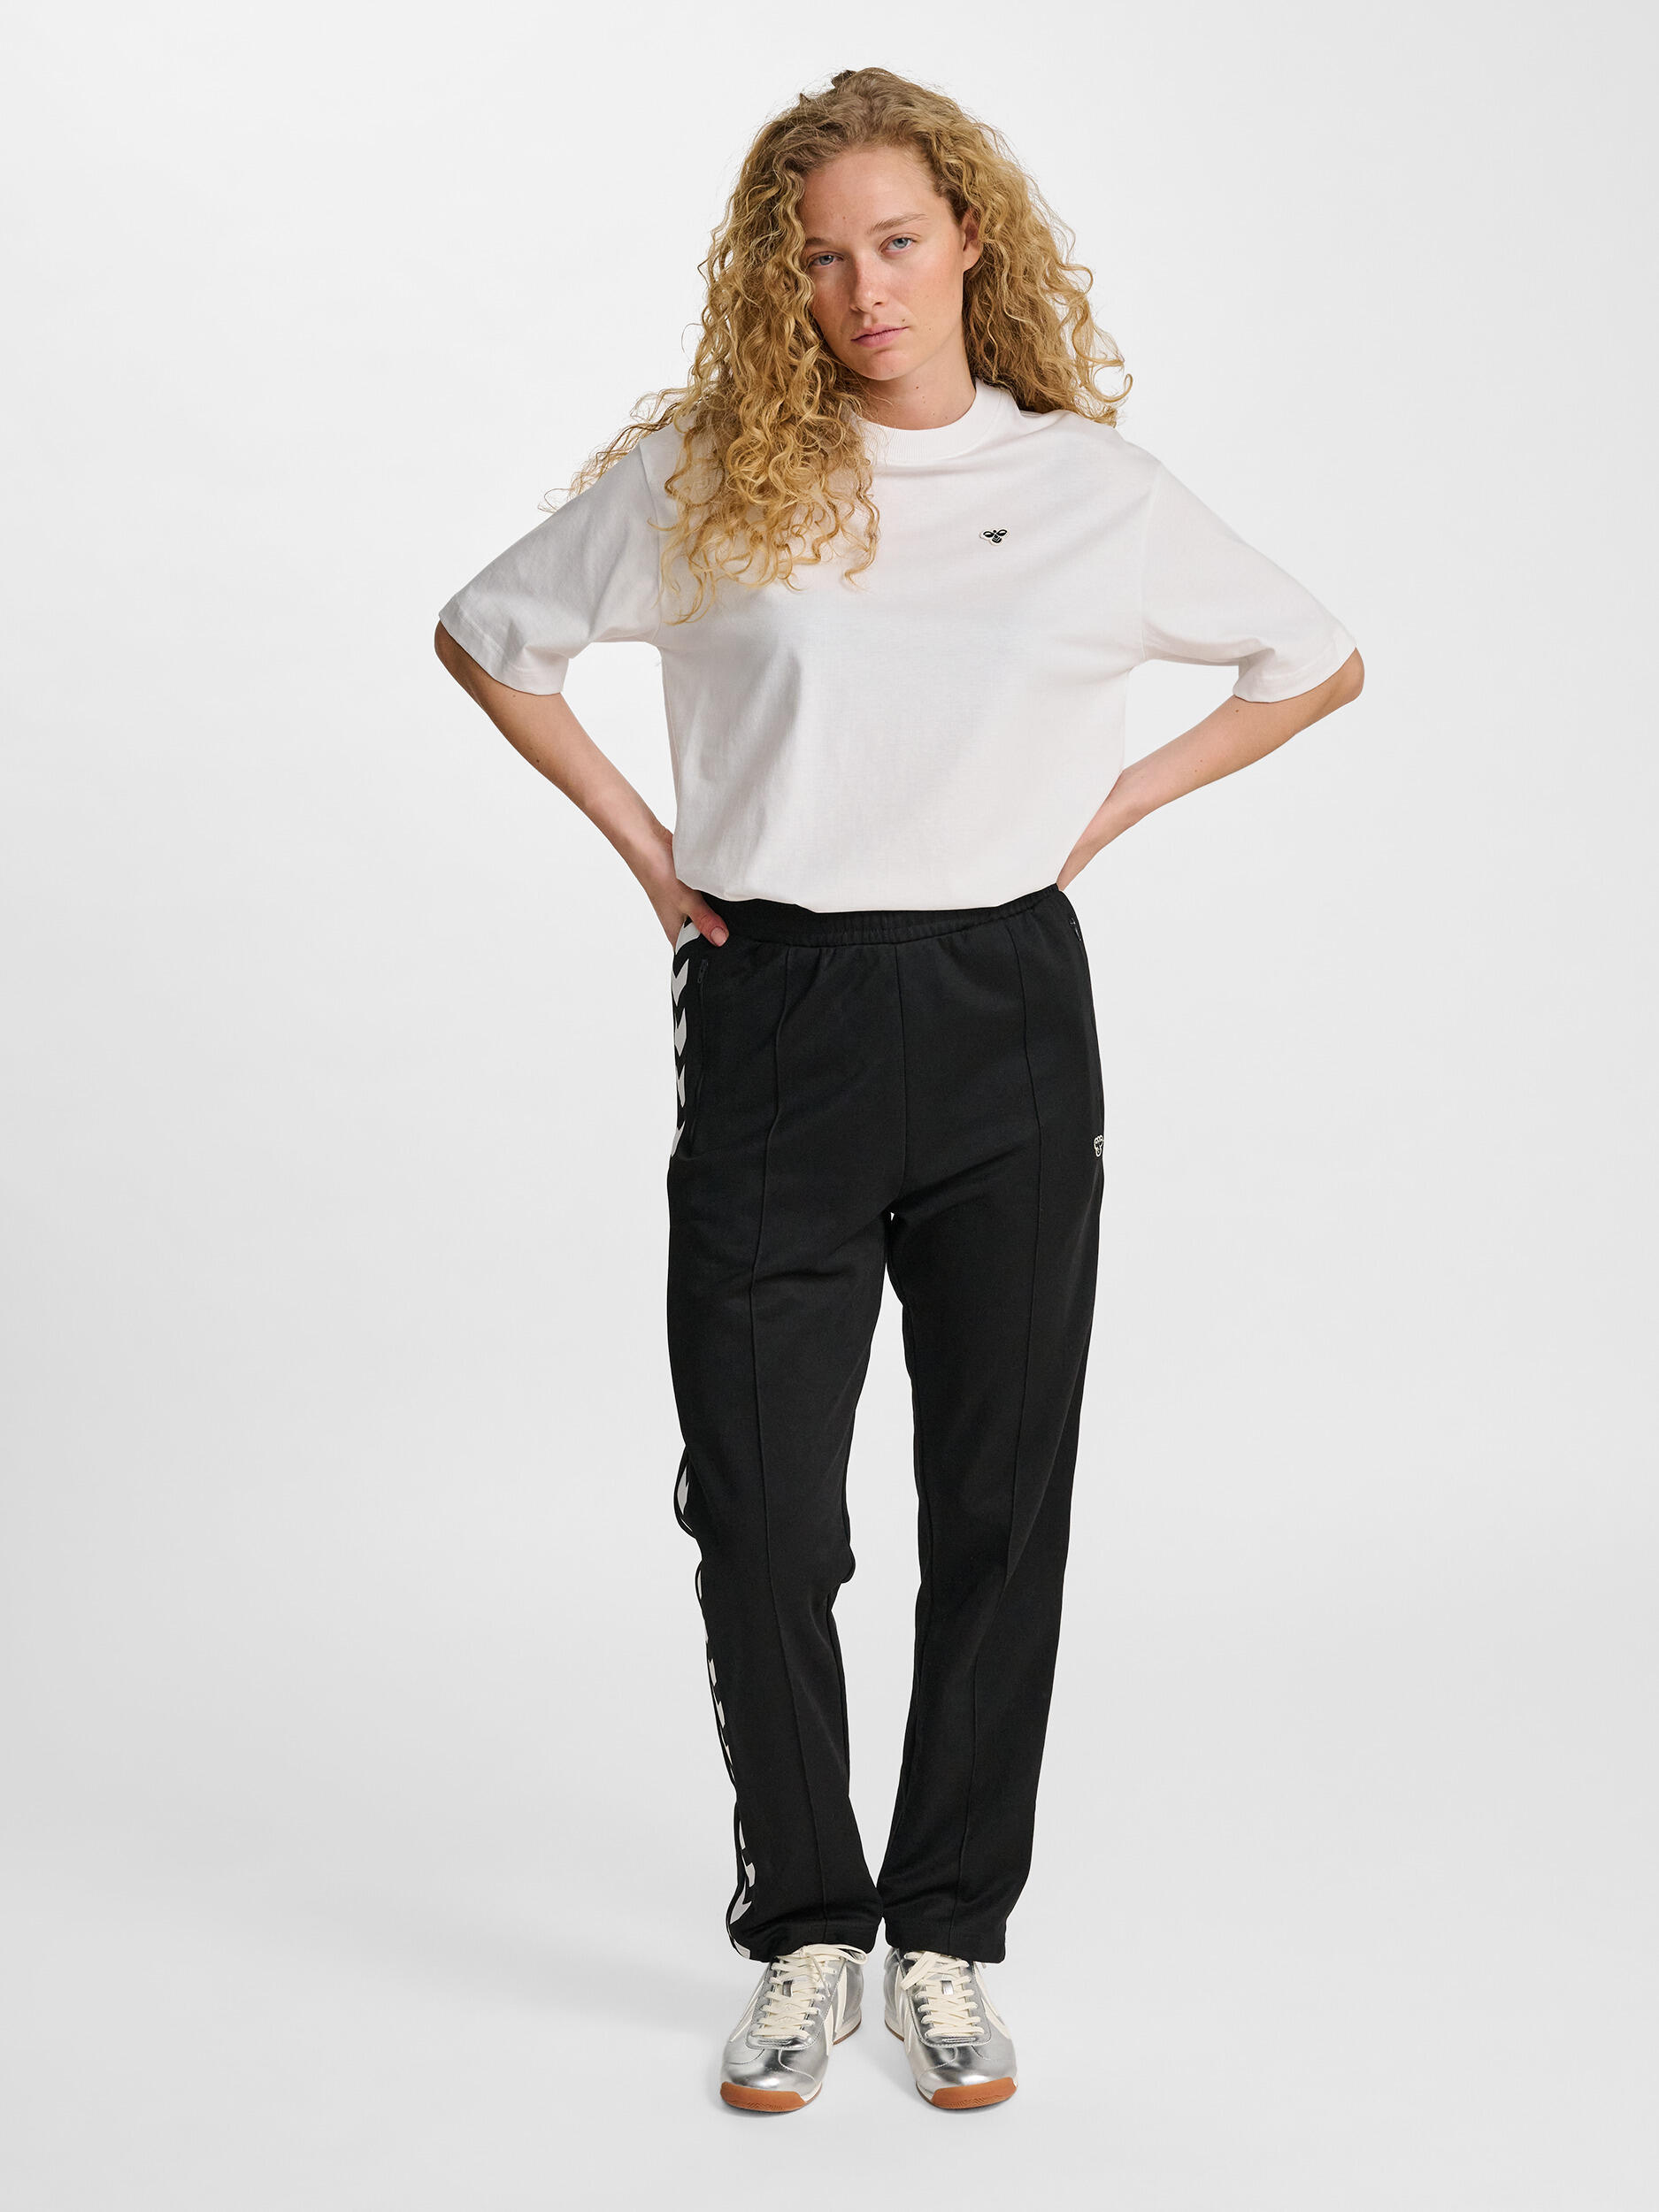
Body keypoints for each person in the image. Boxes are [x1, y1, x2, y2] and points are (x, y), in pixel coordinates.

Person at [434, 65, 1363, 2116]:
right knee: (761, 1509)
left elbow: (1309, 658)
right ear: (776, 279)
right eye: (817, 255)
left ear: (968, 244)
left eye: (895, 240)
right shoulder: (713, 475)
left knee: (995, 1497)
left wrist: (1107, 805)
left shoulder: (1087, 487)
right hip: (774, 1005)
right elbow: (491, 633)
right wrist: (648, 853)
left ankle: (942, 1927)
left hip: (1003, 1008)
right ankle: (804, 1923)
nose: (862, 288)